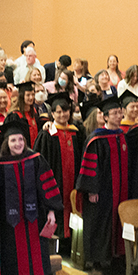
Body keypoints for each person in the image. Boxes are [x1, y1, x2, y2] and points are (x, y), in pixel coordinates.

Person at [0, 119, 61, 275]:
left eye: (21, 140)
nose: (18, 144)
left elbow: (47, 185)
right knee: (12, 256)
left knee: (38, 254)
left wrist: (51, 210)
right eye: (13, 140)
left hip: (34, 217)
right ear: (7, 142)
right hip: (10, 221)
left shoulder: (35, 159)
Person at [75, 96, 129, 275]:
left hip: (120, 191)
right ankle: (96, 262)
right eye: (114, 113)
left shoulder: (122, 136)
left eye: (119, 112)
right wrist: (91, 189)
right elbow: (90, 166)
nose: (118, 116)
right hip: (101, 192)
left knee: (117, 224)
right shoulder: (96, 139)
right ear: (105, 117)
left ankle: (115, 259)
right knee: (100, 224)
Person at [34, 93, 84, 241]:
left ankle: (71, 241)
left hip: (73, 182)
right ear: (53, 114)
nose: (62, 115)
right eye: (58, 112)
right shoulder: (46, 134)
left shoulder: (77, 132)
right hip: (55, 182)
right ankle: (57, 241)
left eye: (65, 111)